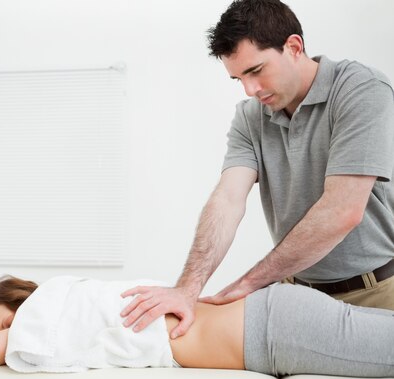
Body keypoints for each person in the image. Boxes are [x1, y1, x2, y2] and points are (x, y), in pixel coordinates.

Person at [120, 0, 394, 340]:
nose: (250, 90)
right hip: (296, 295)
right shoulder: (250, 116)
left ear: (294, 47)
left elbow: (342, 211)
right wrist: (186, 289)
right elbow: (227, 199)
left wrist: (249, 283)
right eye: (238, 79)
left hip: (375, 293)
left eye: (255, 71)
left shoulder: (360, 89)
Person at [0, 275, 394, 378]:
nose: (11, 338)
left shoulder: (52, 308)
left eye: (10, 324)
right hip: (273, 320)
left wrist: (7, 333)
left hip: (274, 331)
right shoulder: (78, 305)